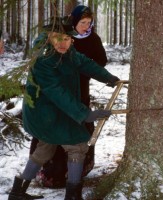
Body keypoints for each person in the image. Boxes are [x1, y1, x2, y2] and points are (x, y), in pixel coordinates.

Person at [8, 17, 120, 200]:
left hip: (55, 111)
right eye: (57, 38)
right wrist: (85, 114)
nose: (63, 43)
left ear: (71, 39)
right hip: (46, 113)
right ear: (48, 37)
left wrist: (107, 77)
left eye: (67, 39)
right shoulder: (44, 59)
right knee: (77, 146)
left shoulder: (67, 51)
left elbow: (84, 62)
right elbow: (57, 91)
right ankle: (73, 196)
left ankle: (17, 192)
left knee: (45, 149)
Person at [29, 5, 109, 188]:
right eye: (82, 22)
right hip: (57, 91)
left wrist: (86, 70)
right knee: (51, 137)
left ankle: (73, 177)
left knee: (77, 134)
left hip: (80, 89)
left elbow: (101, 60)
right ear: (74, 20)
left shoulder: (93, 38)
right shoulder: (63, 35)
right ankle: (49, 174)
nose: (86, 26)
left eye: (89, 22)